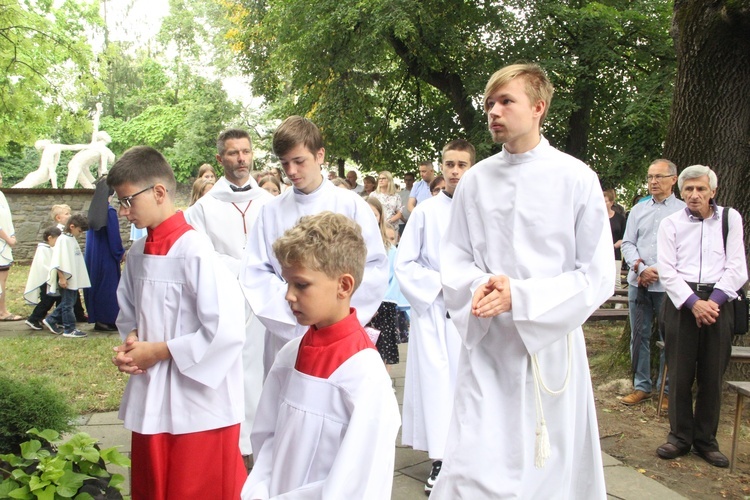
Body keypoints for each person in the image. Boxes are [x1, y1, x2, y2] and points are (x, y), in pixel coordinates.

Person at [433, 63, 613, 498]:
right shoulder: (475, 181)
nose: (494, 111)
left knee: (545, 465)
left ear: (538, 107)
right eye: (490, 102)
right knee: (476, 459)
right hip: (489, 342)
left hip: (548, 346)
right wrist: (481, 287)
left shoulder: (576, 178)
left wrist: (524, 295)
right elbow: (454, 255)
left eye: (506, 101)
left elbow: (598, 274)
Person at [109, 146, 246, 499]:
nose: (124, 212)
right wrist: (132, 345)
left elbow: (225, 330)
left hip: (197, 402)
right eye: (120, 203)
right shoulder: (137, 254)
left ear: (158, 192)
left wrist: (157, 351)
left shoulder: (195, 249)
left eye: (128, 201)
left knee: (194, 487)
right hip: (152, 394)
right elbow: (128, 313)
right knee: (153, 486)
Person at [241, 212, 400, 499]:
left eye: (301, 284)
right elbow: (267, 439)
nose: (288, 295)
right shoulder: (290, 355)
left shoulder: (364, 376)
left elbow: (357, 482)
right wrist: (258, 490)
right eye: (286, 283)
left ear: (344, 285)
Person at [240, 115, 388, 379]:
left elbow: (373, 268)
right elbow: (255, 273)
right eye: (285, 163)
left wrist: (332, 313)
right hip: (286, 333)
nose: (292, 171)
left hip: (339, 335)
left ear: (320, 155)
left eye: (299, 161)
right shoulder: (270, 212)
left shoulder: (351, 205)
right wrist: (295, 307)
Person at [186, 128, 273, 470]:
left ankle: (265, 443)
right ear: (220, 158)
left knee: (266, 371)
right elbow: (197, 256)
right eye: (234, 153)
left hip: (266, 304)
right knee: (232, 373)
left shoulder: (271, 204)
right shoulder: (203, 209)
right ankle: (233, 444)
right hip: (225, 303)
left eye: (246, 152)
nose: (241, 159)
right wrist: (241, 267)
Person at [655, 165, 747, 468]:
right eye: (689, 189)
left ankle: (706, 440)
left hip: (719, 304)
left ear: (713, 191)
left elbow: (737, 268)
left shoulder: (730, 219)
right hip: (682, 304)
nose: (695, 195)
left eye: (701, 189)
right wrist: (694, 303)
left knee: (712, 374)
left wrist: (713, 303)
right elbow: (667, 271)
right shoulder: (670, 224)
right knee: (680, 373)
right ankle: (679, 436)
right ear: (682, 192)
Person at [396, 138, 474, 494]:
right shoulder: (425, 212)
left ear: (472, 167)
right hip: (435, 313)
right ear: (441, 167)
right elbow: (405, 262)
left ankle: (472, 457)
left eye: (462, 164)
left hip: (473, 316)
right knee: (438, 387)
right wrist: (441, 284)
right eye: (450, 164)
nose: (455, 171)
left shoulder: (483, 210)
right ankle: (440, 459)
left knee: (471, 387)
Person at [620, 159, 686, 407]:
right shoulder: (639, 209)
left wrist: (657, 270)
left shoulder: (682, 211)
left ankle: (666, 390)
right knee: (639, 336)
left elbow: (683, 249)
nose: (653, 182)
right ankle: (642, 385)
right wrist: (641, 267)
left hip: (667, 286)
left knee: (669, 337)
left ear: (673, 179)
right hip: (639, 283)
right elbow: (627, 242)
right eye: (650, 177)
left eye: (659, 177)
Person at [84, 178, 124, 332]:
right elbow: (114, 237)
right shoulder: (109, 212)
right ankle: (106, 319)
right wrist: (119, 253)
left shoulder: (94, 210)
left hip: (93, 257)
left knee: (96, 286)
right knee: (108, 287)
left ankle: (98, 317)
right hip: (106, 256)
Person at [365, 197, 400, 371]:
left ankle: (384, 385)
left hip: (383, 304)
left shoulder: (388, 247)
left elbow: (392, 278)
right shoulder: (354, 243)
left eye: (375, 214)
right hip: (361, 303)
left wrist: (378, 300)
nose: (371, 218)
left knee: (382, 349)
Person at [43, 213, 91, 338]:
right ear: (72, 226)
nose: (80, 234)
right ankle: (69, 328)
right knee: (68, 305)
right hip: (66, 278)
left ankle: (51, 320)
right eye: (79, 231)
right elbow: (58, 260)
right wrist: (62, 277)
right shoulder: (63, 240)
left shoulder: (70, 238)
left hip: (71, 277)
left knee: (68, 302)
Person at [24, 226, 62, 329]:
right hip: (45, 280)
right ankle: (33, 319)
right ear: (50, 238)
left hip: (51, 279)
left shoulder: (50, 248)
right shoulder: (42, 249)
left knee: (55, 299)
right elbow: (43, 265)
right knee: (47, 301)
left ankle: (54, 319)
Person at [0, 170, 21, 321]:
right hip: (2, 241)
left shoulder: (1, 195)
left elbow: (6, 218)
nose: (0, 179)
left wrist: (12, 234)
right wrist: (7, 238)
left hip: (6, 241)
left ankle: (2, 310)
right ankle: (2, 312)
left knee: (3, 279)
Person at [604, 188, 626, 291]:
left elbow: (624, 237)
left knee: (616, 282)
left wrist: (614, 246)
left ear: (611, 202)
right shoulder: (596, 217)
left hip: (615, 254)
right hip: (600, 254)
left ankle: (618, 305)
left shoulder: (620, 218)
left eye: (605, 201)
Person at [398, 172, 415, 236]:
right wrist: (404, 220)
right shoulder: (400, 194)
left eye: (410, 180)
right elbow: (398, 208)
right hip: (402, 222)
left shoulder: (416, 192)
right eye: (406, 180)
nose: (408, 182)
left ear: (413, 180)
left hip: (414, 221)